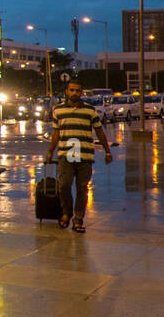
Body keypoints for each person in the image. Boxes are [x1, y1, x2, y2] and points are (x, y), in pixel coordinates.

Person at [45, 80, 113, 233]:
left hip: (85, 154)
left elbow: (99, 131)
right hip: (66, 154)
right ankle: (66, 212)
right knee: (64, 184)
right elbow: (56, 133)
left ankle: (78, 219)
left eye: (77, 90)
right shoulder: (58, 110)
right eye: (71, 90)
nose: (74, 93)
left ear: (81, 92)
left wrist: (107, 151)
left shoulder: (90, 111)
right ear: (67, 91)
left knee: (82, 188)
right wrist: (50, 151)